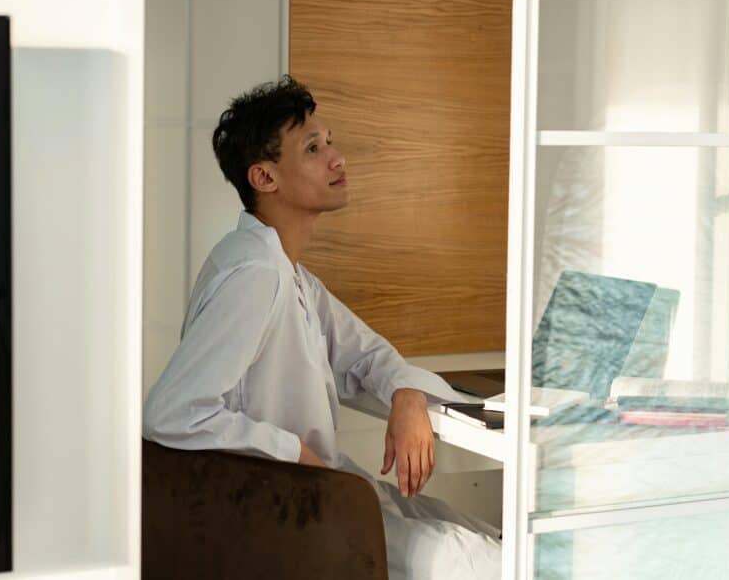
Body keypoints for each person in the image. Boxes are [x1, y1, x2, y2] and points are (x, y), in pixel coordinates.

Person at [142, 76, 501, 580]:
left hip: (321, 496)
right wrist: (296, 453)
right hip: (283, 513)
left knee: (490, 541)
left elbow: (367, 357)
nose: (337, 158)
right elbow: (173, 412)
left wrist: (407, 396)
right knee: (491, 563)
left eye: (329, 142)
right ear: (265, 178)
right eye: (313, 148)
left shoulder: (288, 273)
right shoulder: (255, 275)